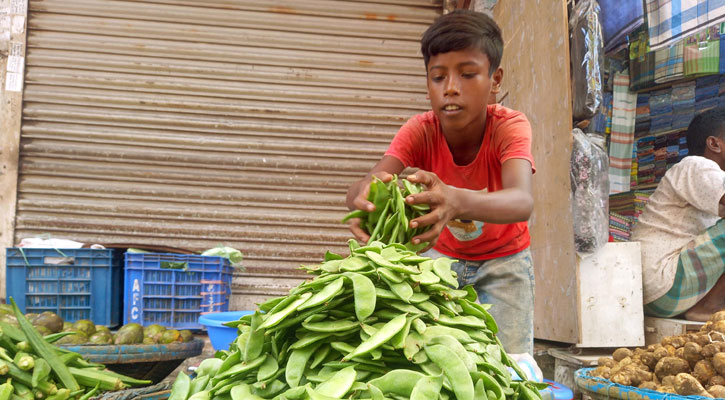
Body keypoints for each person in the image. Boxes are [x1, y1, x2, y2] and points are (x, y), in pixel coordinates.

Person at [345, 10, 536, 355]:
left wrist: (456, 200)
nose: (450, 88)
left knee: (510, 365)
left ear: (495, 80)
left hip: (505, 264)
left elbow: (521, 201)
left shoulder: (509, 126)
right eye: (438, 77)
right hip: (440, 261)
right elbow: (373, 178)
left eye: (467, 74)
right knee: (436, 358)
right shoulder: (420, 130)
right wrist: (362, 197)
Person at [632, 107, 725, 322]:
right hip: (663, 281)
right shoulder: (695, 165)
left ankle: (706, 305)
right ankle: (710, 307)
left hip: (660, 291)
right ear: (714, 144)